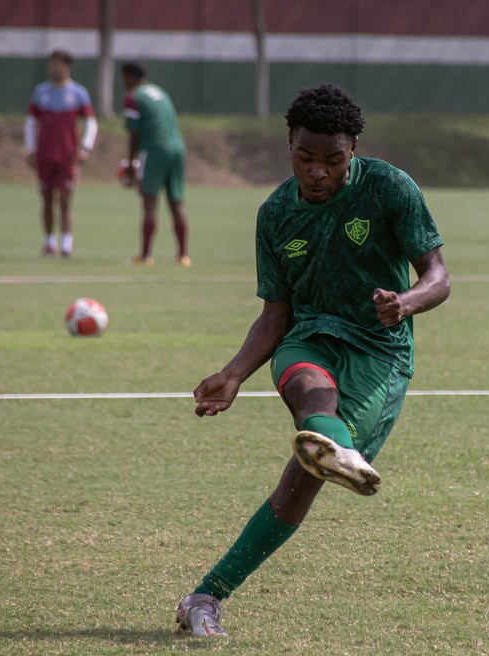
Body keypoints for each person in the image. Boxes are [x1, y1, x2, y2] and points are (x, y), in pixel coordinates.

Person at [175, 84, 451, 637]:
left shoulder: (391, 188)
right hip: (309, 336)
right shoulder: (276, 214)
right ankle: (332, 445)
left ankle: (202, 596)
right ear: (289, 145)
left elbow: (438, 277)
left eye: (333, 160)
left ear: (354, 149)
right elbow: (275, 317)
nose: (318, 172)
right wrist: (232, 374)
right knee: (307, 387)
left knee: (299, 485)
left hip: (380, 350)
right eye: (305, 158)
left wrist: (405, 303)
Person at [25, 49, 98, 258]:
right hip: (45, 155)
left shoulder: (78, 93)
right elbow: (31, 122)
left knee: (65, 199)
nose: (53, 68)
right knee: (46, 199)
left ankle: (67, 245)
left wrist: (85, 148)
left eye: (58, 64)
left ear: (68, 67)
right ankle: (49, 242)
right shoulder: (40, 92)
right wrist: (30, 149)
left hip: (67, 156)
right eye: (52, 64)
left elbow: (91, 123)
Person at [120, 62, 191, 267]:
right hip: (178, 148)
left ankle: (145, 256)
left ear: (128, 77)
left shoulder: (134, 97)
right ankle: (183, 256)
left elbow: (134, 134)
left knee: (150, 203)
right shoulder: (160, 91)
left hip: (154, 150)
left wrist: (131, 163)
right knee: (177, 203)